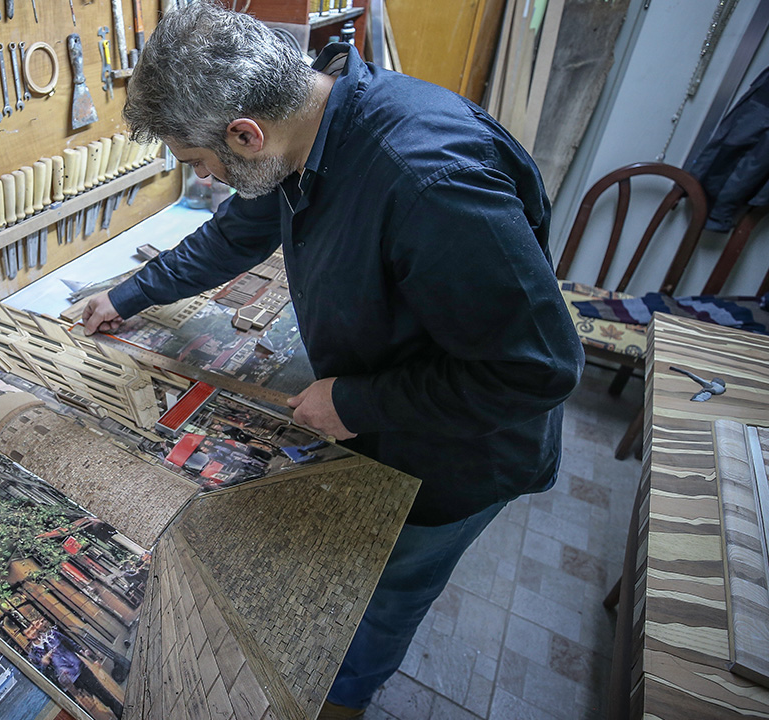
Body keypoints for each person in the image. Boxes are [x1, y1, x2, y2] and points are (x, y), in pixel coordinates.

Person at [81, 3, 585, 717]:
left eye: (201, 166)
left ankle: (338, 705)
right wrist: (130, 293)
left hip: (462, 453)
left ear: (243, 133)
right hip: (397, 402)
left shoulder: (425, 179)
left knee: (381, 601)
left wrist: (353, 402)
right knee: (344, 575)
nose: (209, 180)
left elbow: (538, 369)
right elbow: (234, 235)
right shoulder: (303, 129)